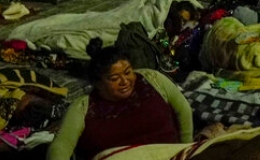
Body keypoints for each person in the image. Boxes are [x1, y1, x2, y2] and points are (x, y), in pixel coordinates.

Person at [47, 39, 193, 160]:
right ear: (98, 83)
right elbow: (62, 145)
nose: (125, 81)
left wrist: (187, 150)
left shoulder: (153, 80)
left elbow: (183, 109)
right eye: (114, 78)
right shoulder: (84, 107)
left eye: (128, 72)